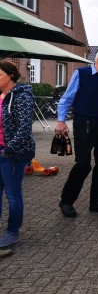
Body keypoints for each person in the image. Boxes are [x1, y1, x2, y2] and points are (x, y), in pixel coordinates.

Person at [56, 49, 98, 217]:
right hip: (84, 123)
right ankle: (66, 201)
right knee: (83, 163)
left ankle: (96, 202)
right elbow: (67, 98)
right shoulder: (82, 73)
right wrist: (61, 120)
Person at [0, 60, 35, 249]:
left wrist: (9, 150)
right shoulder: (0, 96)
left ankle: (12, 232)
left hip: (12, 154)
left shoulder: (22, 96)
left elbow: (24, 127)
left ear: (11, 75)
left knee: (12, 194)